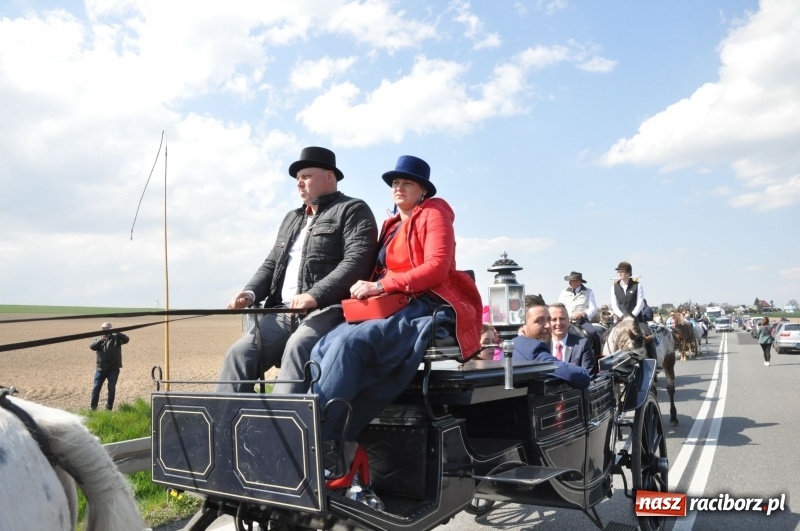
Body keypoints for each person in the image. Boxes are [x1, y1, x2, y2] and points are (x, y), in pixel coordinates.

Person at [309, 155, 483, 488]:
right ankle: (320, 435)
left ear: (422, 190)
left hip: (427, 302)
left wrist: (381, 285)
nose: (398, 188)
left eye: (407, 183)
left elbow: (436, 267)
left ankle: (327, 445)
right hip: (389, 303)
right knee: (324, 343)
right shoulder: (390, 225)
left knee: (350, 345)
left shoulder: (435, 214)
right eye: (394, 183)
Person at [215, 147, 378, 394]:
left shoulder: (353, 210)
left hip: (329, 310)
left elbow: (357, 262)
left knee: (298, 346)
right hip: (283, 312)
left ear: (329, 176)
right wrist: (249, 293)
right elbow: (272, 262)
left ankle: (284, 427)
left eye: (306, 176)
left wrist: (316, 295)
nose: (299, 183)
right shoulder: (292, 218)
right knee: (240, 353)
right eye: (297, 179)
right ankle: (226, 424)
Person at [513, 300, 591, 388]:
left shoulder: (511, 347)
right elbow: (583, 377)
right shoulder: (534, 349)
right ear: (522, 324)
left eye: (548, 319)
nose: (547, 325)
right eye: (539, 320)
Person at [610, 261, 656, 359]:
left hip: (637, 320)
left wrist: (631, 317)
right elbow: (614, 305)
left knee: (648, 335)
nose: (619, 273)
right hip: (621, 320)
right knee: (606, 336)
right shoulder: (614, 287)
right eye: (618, 271)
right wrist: (623, 317)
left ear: (628, 273)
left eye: (622, 271)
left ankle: (654, 361)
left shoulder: (637, 285)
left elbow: (640, 303)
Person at [557, 271, 602, 359]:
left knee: (593, 333)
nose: (569, 282)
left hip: (581, 321)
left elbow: (593, 308)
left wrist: (582, 314)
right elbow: (559, 307)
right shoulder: (564, 293)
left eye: (572, 280)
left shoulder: (589, 292)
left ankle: (597, 357)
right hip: (567, 321)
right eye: (569, 280)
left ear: (579, 282)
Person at [89, 322, 129, 410]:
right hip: (101, 369)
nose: (105, 330)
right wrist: (101, 340)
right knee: (96, 388)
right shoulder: (98, 339)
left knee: (111, 389)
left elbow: (126, 340)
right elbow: (92, 347)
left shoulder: (116, 339)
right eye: (103, 328)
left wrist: (117, 332)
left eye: (107, 329)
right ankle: (93, 409)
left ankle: (108, 409)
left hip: (113, 369)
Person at [548, 303, 596, 374]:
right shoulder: (541, 346)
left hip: (581, 319)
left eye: (562, 318)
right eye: (554, 319)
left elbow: (587, 375)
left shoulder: (583, 345)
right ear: (548, 322)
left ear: (568, 321)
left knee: (593, 332)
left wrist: (583, 314)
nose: (558, 323)